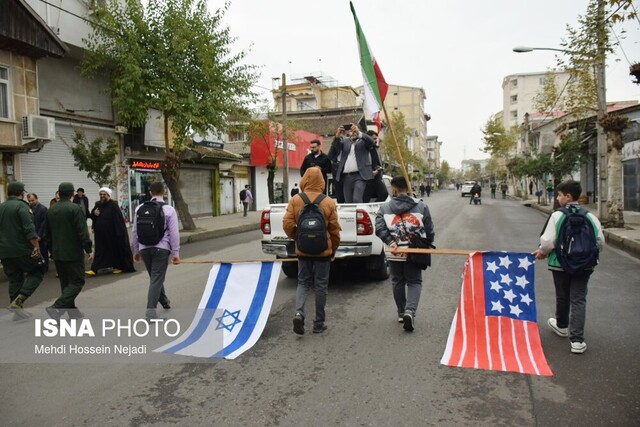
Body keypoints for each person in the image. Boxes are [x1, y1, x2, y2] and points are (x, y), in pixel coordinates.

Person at [534, 180, 604, 354]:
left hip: (560, 264)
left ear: (568, 196)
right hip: (585, 266)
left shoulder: (558, 215)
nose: (557, 198)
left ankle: (562, 325)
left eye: (559, 195)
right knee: (579, 299)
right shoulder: (590, 216)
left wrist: (542, 252)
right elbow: (600, 242)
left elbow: (548, 241)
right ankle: (577, 341)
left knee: (562, 295)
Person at [283, 167, 341, 335]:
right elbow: (334, 230)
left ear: (305, 180)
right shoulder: (328, 201)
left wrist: (297, 238)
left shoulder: (295, 200)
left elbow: (287, 224)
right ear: (322, 181)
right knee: (321, 285)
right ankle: (319, 323)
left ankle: (299, 313)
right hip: (323, 251)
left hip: (303, 251)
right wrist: (333, 249)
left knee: (302, 282)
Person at [375, 176, 435, 332]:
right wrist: (425, 243)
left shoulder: (384, 208)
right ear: (408, 188)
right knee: (414, 281)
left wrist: (391, 242)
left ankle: (402, 312)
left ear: (394, 189)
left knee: (397, 280)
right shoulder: (421, 206)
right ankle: (410, 311)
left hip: (396, 250)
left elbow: (380, 228)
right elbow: (429, 230)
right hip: (415, 251)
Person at [132, 181, 180, 319]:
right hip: (161, 249)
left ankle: (164, 302)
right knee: (156, 278)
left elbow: (135, 231)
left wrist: (136, 250)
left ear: (150, 193)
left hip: (144, 248)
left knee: (155, 278)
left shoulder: (139, 208)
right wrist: (175, 253)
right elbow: (174, 233)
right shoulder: (169, 209)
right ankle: (150, 312)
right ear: (164, 192)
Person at [45, 182, 94, 319]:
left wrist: (51, 250)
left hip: (57, 253)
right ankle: (56, 308)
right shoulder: (75, 208)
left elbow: (47, 234)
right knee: (78, 281)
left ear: (59, 194)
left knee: (66, 284)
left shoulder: (51, 210)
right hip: (73, 253)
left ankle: (73, 313)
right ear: (72, 194)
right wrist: (89, 249)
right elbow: (82, 231)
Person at [0, 182, 44, 319]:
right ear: (21, 193)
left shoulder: (1, 207)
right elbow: (29, 229)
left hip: (5, 251)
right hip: (21, 250)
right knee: (38, 271)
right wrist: (36, 246)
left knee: (15, 279)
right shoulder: (22, 207)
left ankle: (17, 312)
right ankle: (20, 300)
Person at [87, 187, 135, 275]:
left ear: (108, 195)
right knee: (100, 251)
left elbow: (118, 220)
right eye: (101, 194)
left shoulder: (113, 205)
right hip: (100, 234)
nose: (102, 196)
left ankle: (118, 267)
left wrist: (119, 233)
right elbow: (92, 215)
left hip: (112, 234)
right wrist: (94, 213)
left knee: (114, 250)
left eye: (104, 194)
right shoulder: (98, 204)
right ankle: (94, 269)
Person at [331, 123, 375, 203]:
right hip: (346, 177)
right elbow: (332, 152)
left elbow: (371, 142)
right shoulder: (345, 141)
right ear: (348, 133)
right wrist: (337, 137)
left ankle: (360, 215)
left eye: (355, 130)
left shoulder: (363, 141)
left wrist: (360, 134)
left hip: (360, 176)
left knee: (357, 199)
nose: (353, 133)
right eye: (351, 131)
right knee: (348, 202)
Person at [362, 130, 389, 202]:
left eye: (376, 139)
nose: (375, 140)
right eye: (373, 139)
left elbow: (378, 163)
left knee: (383, 194)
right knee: (365, 199)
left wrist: (378, 170)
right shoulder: (363, 149)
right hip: (367, 178)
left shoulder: (376, 149)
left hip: (376, 177)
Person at [27, 193, 49, 273]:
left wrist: (39, 235)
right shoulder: (28, 208)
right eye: (29, 201)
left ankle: (45, 267)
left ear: (37, 199)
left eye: (32, 200)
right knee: (34, 252)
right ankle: (37, 267)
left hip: (41, 234)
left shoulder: (43, 209)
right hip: (32, 234)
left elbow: (44, 223)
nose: (31, 202)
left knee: (43, 251)